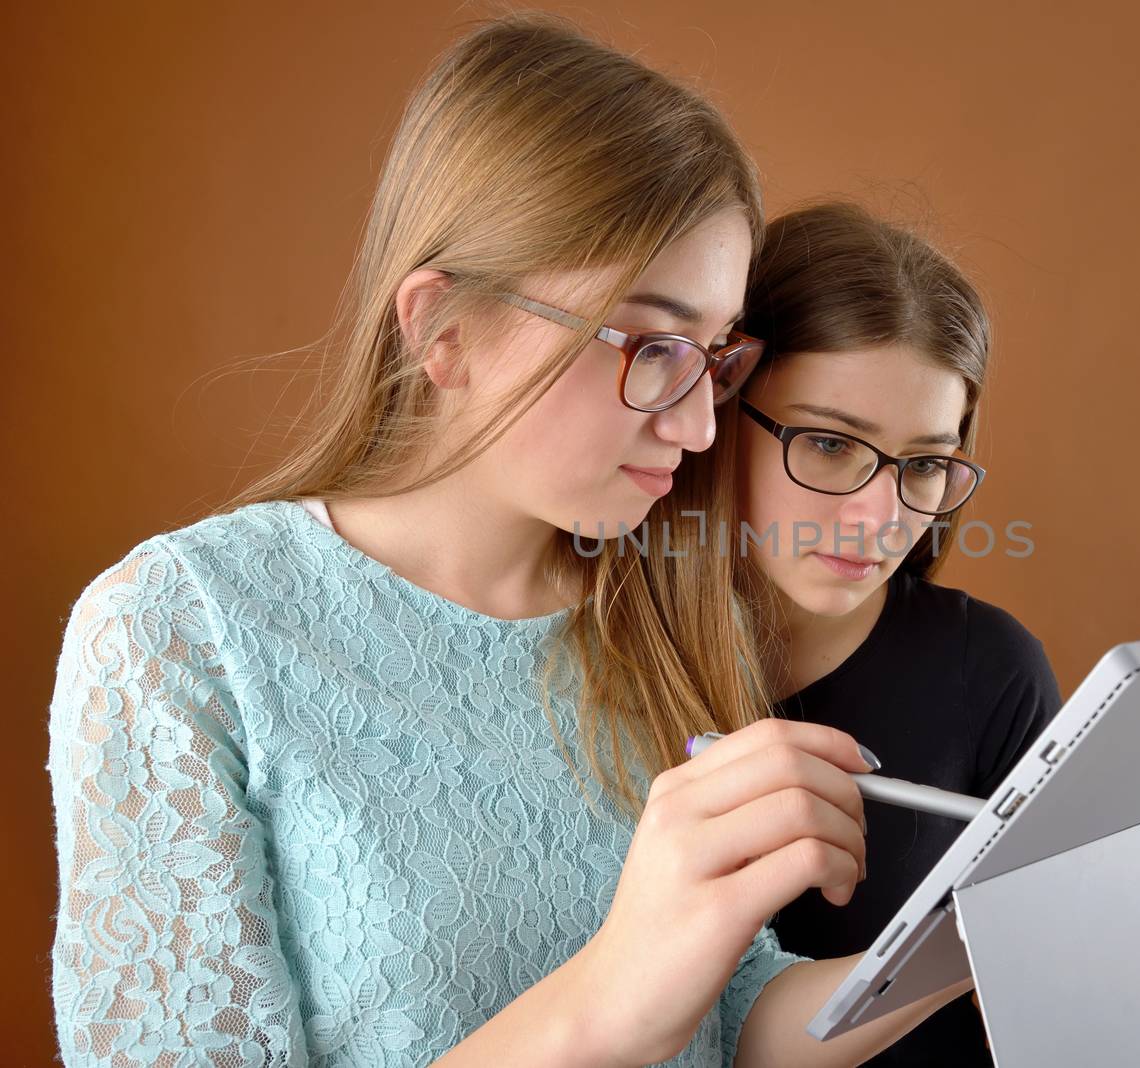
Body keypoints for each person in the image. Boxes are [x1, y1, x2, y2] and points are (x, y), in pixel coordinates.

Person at [46, 18, 970, 1067]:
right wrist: (612, 997)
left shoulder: (652, 612)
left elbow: (731, 1021)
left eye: (713, 355)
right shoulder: (183, 630)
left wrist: (990, 916)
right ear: (444, 330)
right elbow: (639, 1000)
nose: (699, 425)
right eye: (651, 345)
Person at [732, 203, 1062, 1063]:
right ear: (720, 411)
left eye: (923, 464)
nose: (879, 517)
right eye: (831, 445)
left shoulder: (990, 672)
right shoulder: (587, 656)